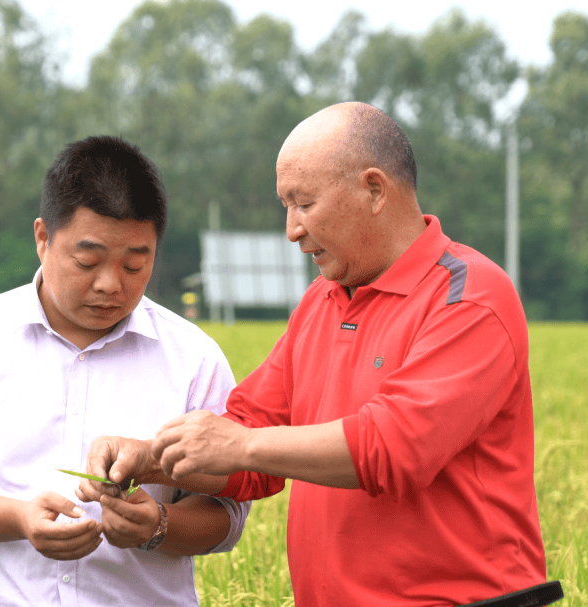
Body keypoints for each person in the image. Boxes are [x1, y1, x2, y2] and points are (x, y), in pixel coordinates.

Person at [79, 103, 561, 606]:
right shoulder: (322, 301)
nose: (291, 229)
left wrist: (240, 445)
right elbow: (252, 438)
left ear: (373, 190)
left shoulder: (469, 296)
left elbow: (394, 448)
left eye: (303, 203)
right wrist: (150, 460)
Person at [0, 135, 249, 606]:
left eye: (135, 265)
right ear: (43, 238)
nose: (110, 285)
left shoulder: (194, 358)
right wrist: (18, 518)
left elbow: (228, 510)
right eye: (88, 261)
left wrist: (159, 526)